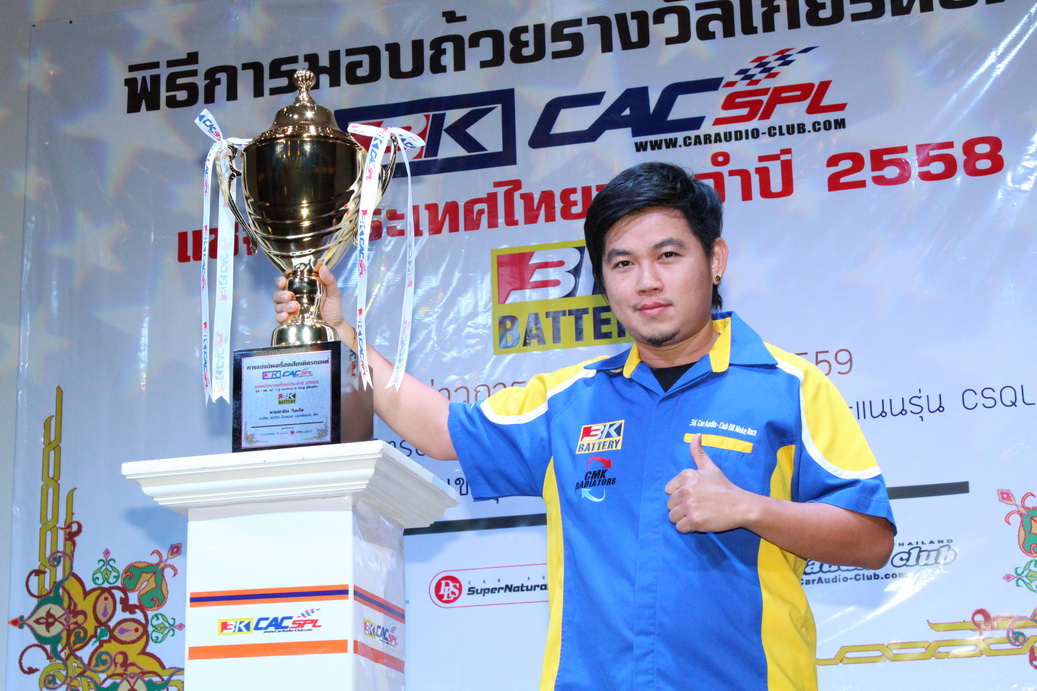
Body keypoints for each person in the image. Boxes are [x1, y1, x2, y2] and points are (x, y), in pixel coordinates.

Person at [273, 162, 896, 690]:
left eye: (668, 255)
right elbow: (438, 429)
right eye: (622, 263)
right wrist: (343, 333)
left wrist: (749, 509)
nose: (646, 282)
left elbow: (871, 540)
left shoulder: (789, 388)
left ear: (715, 260)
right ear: (602, 280)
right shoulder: (569, 402)